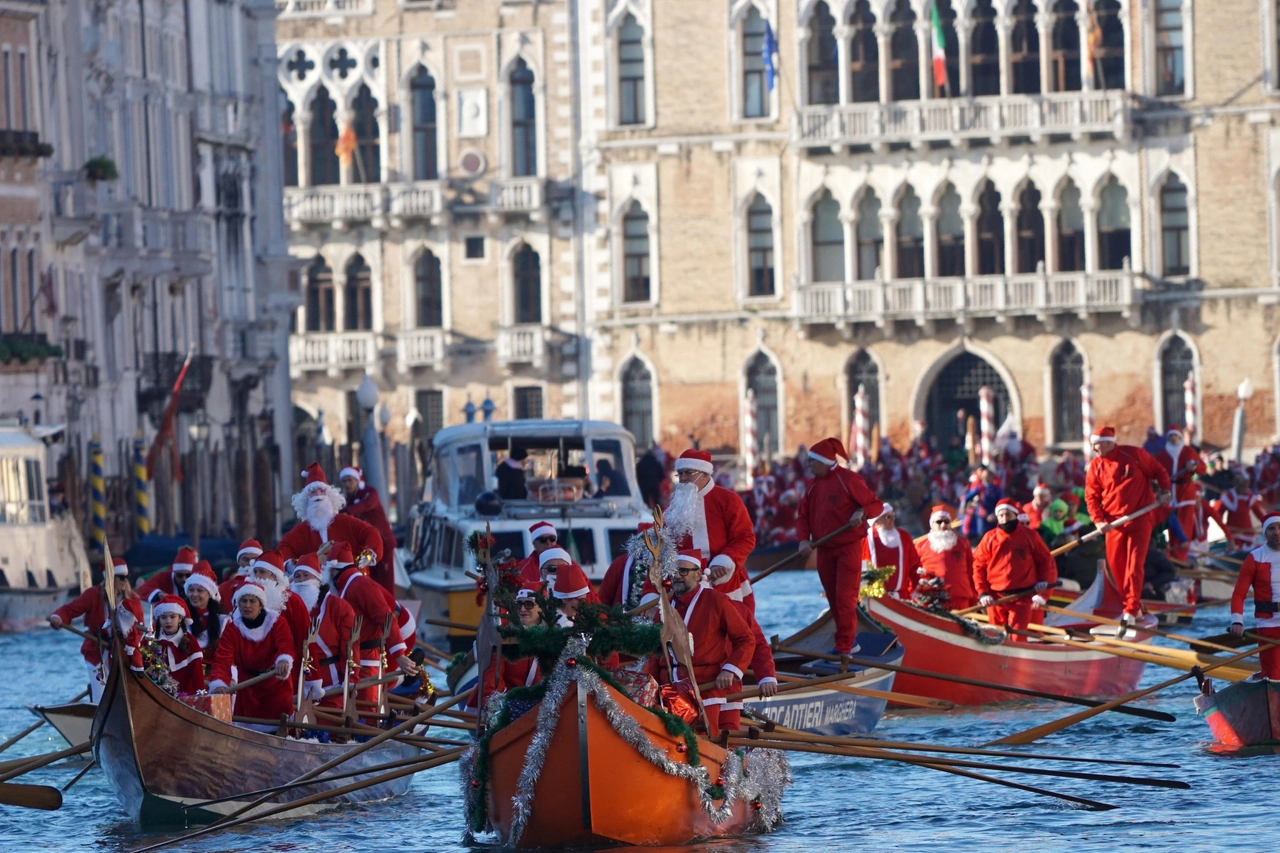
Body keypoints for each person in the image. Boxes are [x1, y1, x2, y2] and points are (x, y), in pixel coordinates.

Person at [795, 437, 884, 656]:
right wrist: (803, 540)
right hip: (824, 548)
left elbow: (875, 504)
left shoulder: (849, 480)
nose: (808, 466)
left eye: (812, 462)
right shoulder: (812, 486)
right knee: (833, 597)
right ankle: (844, 640)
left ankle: (845, 645)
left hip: (848, 547)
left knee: (845, 597)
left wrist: (861, 512)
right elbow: (803, 516)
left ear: (825, 462)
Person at [655, 550, 753, 738]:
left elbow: (745, 639)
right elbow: (654, 651)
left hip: (704, 687)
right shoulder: (665, 605)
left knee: (704, 741)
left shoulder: (717, 601)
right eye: (673, 571)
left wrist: (730, 670)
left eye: (683, 571)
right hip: (668, 686)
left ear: (698, 574)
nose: (676, 576)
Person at [1084, 425, 1172, 631]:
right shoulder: (1095, 466)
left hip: (1139, 519)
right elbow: (1091, 498)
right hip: (1113, 524)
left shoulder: (1134, 454)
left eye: (1096, 445)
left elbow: (1159, 471)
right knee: (1116, 567)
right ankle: (1133, 606)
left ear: (1108, 442)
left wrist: (1165, 490)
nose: (1094, 449)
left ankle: (1130, 611)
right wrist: (1098, 521)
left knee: (1134, 566)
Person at [327, 541, 417, 712]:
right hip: (354, 659)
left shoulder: (361, 585)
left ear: (333, 570)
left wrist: (399, 655)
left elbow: (386, 617)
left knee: (366, 710)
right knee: (353, 708)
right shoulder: (345, 586)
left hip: (367, 659)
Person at [667, 449, 757, 610]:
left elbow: (745, 538)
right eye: (679, 474)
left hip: (722, 580)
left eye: (688, 473)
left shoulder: (729, 500)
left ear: (705, 474)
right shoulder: (674, 506)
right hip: (686, 584)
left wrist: (724, 561)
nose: (683, 478)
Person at [50, 557, 141, 702]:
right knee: (101, 697)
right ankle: (97, 705)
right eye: (121, 577)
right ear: (110, 579)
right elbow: (69, 610)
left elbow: (140, 628)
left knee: (124, 696)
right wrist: (58, 617)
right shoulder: (93, 595)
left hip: (122, 654)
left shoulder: (133, 599)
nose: (125, 581)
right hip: (96, 652)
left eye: (127, 577)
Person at [208, 582, 297, 722]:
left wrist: (284, 660)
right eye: (243, 601)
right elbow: (222, 659)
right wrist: (219, 684)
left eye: (252, 601)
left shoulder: (277, 622)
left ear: (261, 605)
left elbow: (285, 645)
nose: (247, 605)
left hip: (276, 683)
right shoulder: (232, 629)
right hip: (248, 688)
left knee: (280, 724)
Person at [972, 499, 1057, 638]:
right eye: (1001, 516)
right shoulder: (989, 538)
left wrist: (1044, 584)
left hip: (1023, 596)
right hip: (996, 598)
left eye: (1008, 515)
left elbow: (1046, 561)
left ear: (1015, 515)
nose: (1004, 519)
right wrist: (982, 593)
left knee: (1017, 636)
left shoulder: (1030, 536)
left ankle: (1018, 659)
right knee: (995, 637)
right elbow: (978, 567)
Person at [277, 463, 384, 569]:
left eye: (321, 491)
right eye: (312, 492)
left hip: (349, 582)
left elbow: (370, 533)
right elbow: (284, 548)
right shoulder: (301, 531)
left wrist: (369, 554)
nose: (318, 495)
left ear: (329, 496)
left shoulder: (346, 522)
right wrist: (289, 565)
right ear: (305, 500)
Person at [292, 554, 356, 711]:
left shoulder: (338, 606)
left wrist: (351, 678)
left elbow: (350, 646)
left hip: (331, 683)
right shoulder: (290, 607)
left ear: (318, 578)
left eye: (306, 575)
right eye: (297, 576)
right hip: (297, 683)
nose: (301, 581)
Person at [251, 549, 313, 691]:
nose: (257, 577)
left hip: (284, 673)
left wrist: (310, 678)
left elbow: (305, 638)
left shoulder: (292, 601)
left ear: (274, 576)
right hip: (251, 677)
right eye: (256, 572)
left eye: (262, 572)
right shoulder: (247, 600)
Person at [1230, 514, 1280, 678]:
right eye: (1272, 528)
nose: (1277, 532)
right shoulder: (1254, 558)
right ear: (1265, 533)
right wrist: (1237, 621)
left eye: (1279, 528)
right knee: (1273, 674)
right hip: (1268, 625)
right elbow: (1239, 594)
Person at [338, 465, 398, 594]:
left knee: (385, 579)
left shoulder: (369, 492)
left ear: (357, 480)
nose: (347, 484)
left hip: (383, 542)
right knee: (371, 578)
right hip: (365, 546)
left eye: (350, 480)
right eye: (344, 481)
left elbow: (366, 505)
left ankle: (389, 610)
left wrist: (347, 512)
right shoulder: (347, 500)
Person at [917, 505, 978, 611]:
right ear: (932, 524)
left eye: (947, 521)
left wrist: (975, 598)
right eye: (939, 522)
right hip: (933, 601)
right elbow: (915, 575)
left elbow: (971, 572)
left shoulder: (963, 543)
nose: (943, 525)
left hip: (960, 599)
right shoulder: (921, 546)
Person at [861, 506, 922, 601]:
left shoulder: (904, 537)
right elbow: (860, 568)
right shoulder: (866, 539)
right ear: (876, 522)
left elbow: (914, 567)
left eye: (893, 515)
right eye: (887, 517)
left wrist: (916, 591)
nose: (893, 518)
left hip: (902, 598)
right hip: (874, 598)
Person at [152, 595, 206, 695]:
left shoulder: (190, 641)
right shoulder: (151, 641)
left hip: (184, 698)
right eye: (163, 617)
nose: (168, 621)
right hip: (155, 696)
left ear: (180, 618)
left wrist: (200, 698)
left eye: (172, 617)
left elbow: (197, 675)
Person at [599, 524, 659, 610]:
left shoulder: (666, 566)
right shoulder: (621, 562)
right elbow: (603, 598)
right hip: (621, 619)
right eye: (645, 540)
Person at [1211, 473, 1267, 550]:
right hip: (1234, 533)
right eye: (1243, 486)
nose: (1246, 489)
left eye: (1246, 486)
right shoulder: (1229, 497)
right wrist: (1225, 528)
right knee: (1236, 549)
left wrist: (1268, 523)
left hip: (1248, 532)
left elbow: (1259, 514)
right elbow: (1218, 515)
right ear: (1238, 486)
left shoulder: (1249, 497)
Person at [184, 561, 228, 656]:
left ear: (210, 594)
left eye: (200, 590)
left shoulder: (222, 620)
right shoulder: (179, 616)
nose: (194, 594)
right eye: (191, 590)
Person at [962, 467, 1004, 543]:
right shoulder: (980, 488)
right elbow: (966, 497)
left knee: (995, 536)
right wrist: (963, 507)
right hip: (983, 516)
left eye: (986, 476)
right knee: (983, 537)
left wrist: (994, 514)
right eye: (983, 477)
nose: (984, 479)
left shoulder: (997, 489)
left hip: (994, 517)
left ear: (991, 477)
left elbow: (1001, 502)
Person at [518, 521, 562, 587]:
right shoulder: (523, 566)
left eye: (552, 538)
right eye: (543, 539)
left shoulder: (570, 564)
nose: (548, 542)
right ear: (534, 543)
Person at [219, 539, 263, 605]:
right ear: (239, 562)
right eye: (245, 559)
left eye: (255, 559)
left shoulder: (269, 587)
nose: (250, 563)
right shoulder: (224, 589)